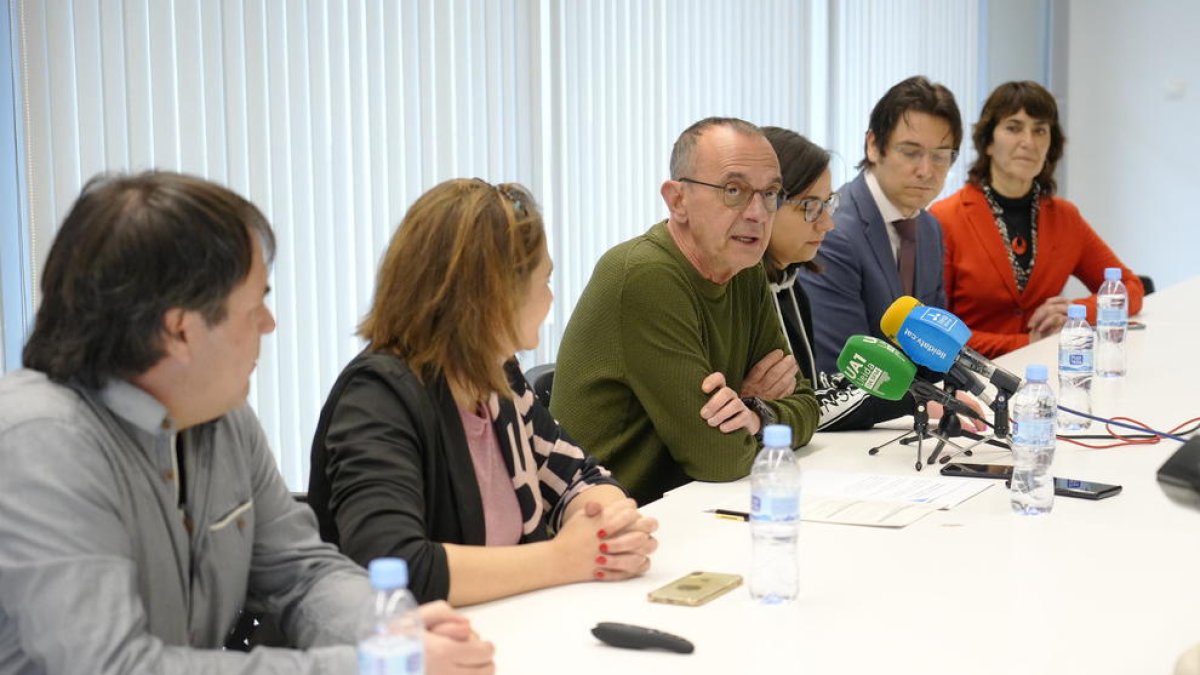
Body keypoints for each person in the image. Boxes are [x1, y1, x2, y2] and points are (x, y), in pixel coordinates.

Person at [0, 172, 494, 674]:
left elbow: (304, 572)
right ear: (180, 331)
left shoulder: (222, 418)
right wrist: (370, 667)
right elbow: (116, 667)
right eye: (255, 304)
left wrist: (392, 632)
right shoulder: (39, 441)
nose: (269, 323)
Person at [308, 179, 658, 607]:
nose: (551, 298)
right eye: (544, 280)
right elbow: (396, 564)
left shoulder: (495, 374)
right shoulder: (378, 398)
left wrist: (607, 527)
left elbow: (577, 476)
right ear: (494, 294)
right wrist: (563, 558)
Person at [551, 117, 820, 506]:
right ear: (677, 200)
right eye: (734, 190)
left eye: (771, 193)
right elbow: (719, 457)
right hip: (613, 523)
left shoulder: (744, 268)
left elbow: (808, 404)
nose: (758, 213)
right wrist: (762, 416)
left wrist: (755, 412)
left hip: (690, 505)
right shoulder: (645, 276)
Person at [929, 80, 1144, 357]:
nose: (1028, 142)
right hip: (971, 379)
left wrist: (1076, 312)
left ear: (1050, 144)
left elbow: (1130, 288)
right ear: (989, 142)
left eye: (1040, 130)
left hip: (1046, 375)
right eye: (1013, 127)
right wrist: (1026, 343)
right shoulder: (945, 218)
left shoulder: (1066, 218)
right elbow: (935, 332)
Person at [797, 76, 964, 374]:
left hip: (912, 411)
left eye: (940, 156)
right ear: (873, 146)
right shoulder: (834, 231)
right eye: (911, 152)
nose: (926, 171)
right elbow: (847, 367)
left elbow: (936, 346)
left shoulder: (929, 228)